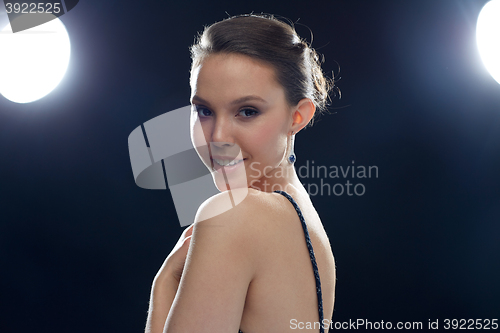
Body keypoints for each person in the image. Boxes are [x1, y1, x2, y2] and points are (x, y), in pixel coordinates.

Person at [145, 13, 337, 333]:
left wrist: (164, 287)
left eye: (247, 111)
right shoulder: (308, 225)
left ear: (298, 116)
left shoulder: (237, 215)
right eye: (204, 111)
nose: (218, 137)